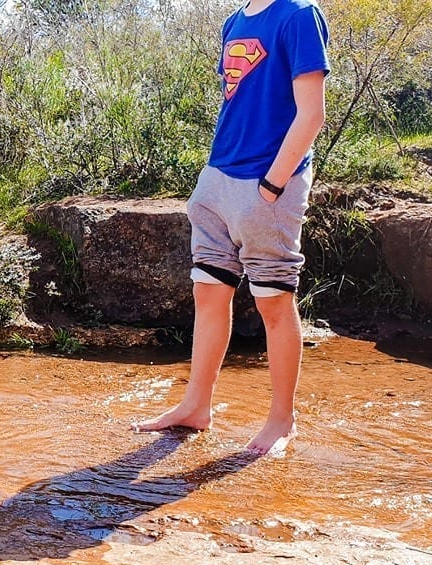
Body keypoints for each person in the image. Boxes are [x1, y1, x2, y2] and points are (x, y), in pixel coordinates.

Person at [134, 0, 329, 455]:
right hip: (218, 177)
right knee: (208, 292)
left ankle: (282, 420)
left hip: (268, 182)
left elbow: (311, 113)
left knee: (273, 301)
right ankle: (195, 406)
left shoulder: (299, 14)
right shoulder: (233, 21)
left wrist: (272, 185)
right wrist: (211, 178)